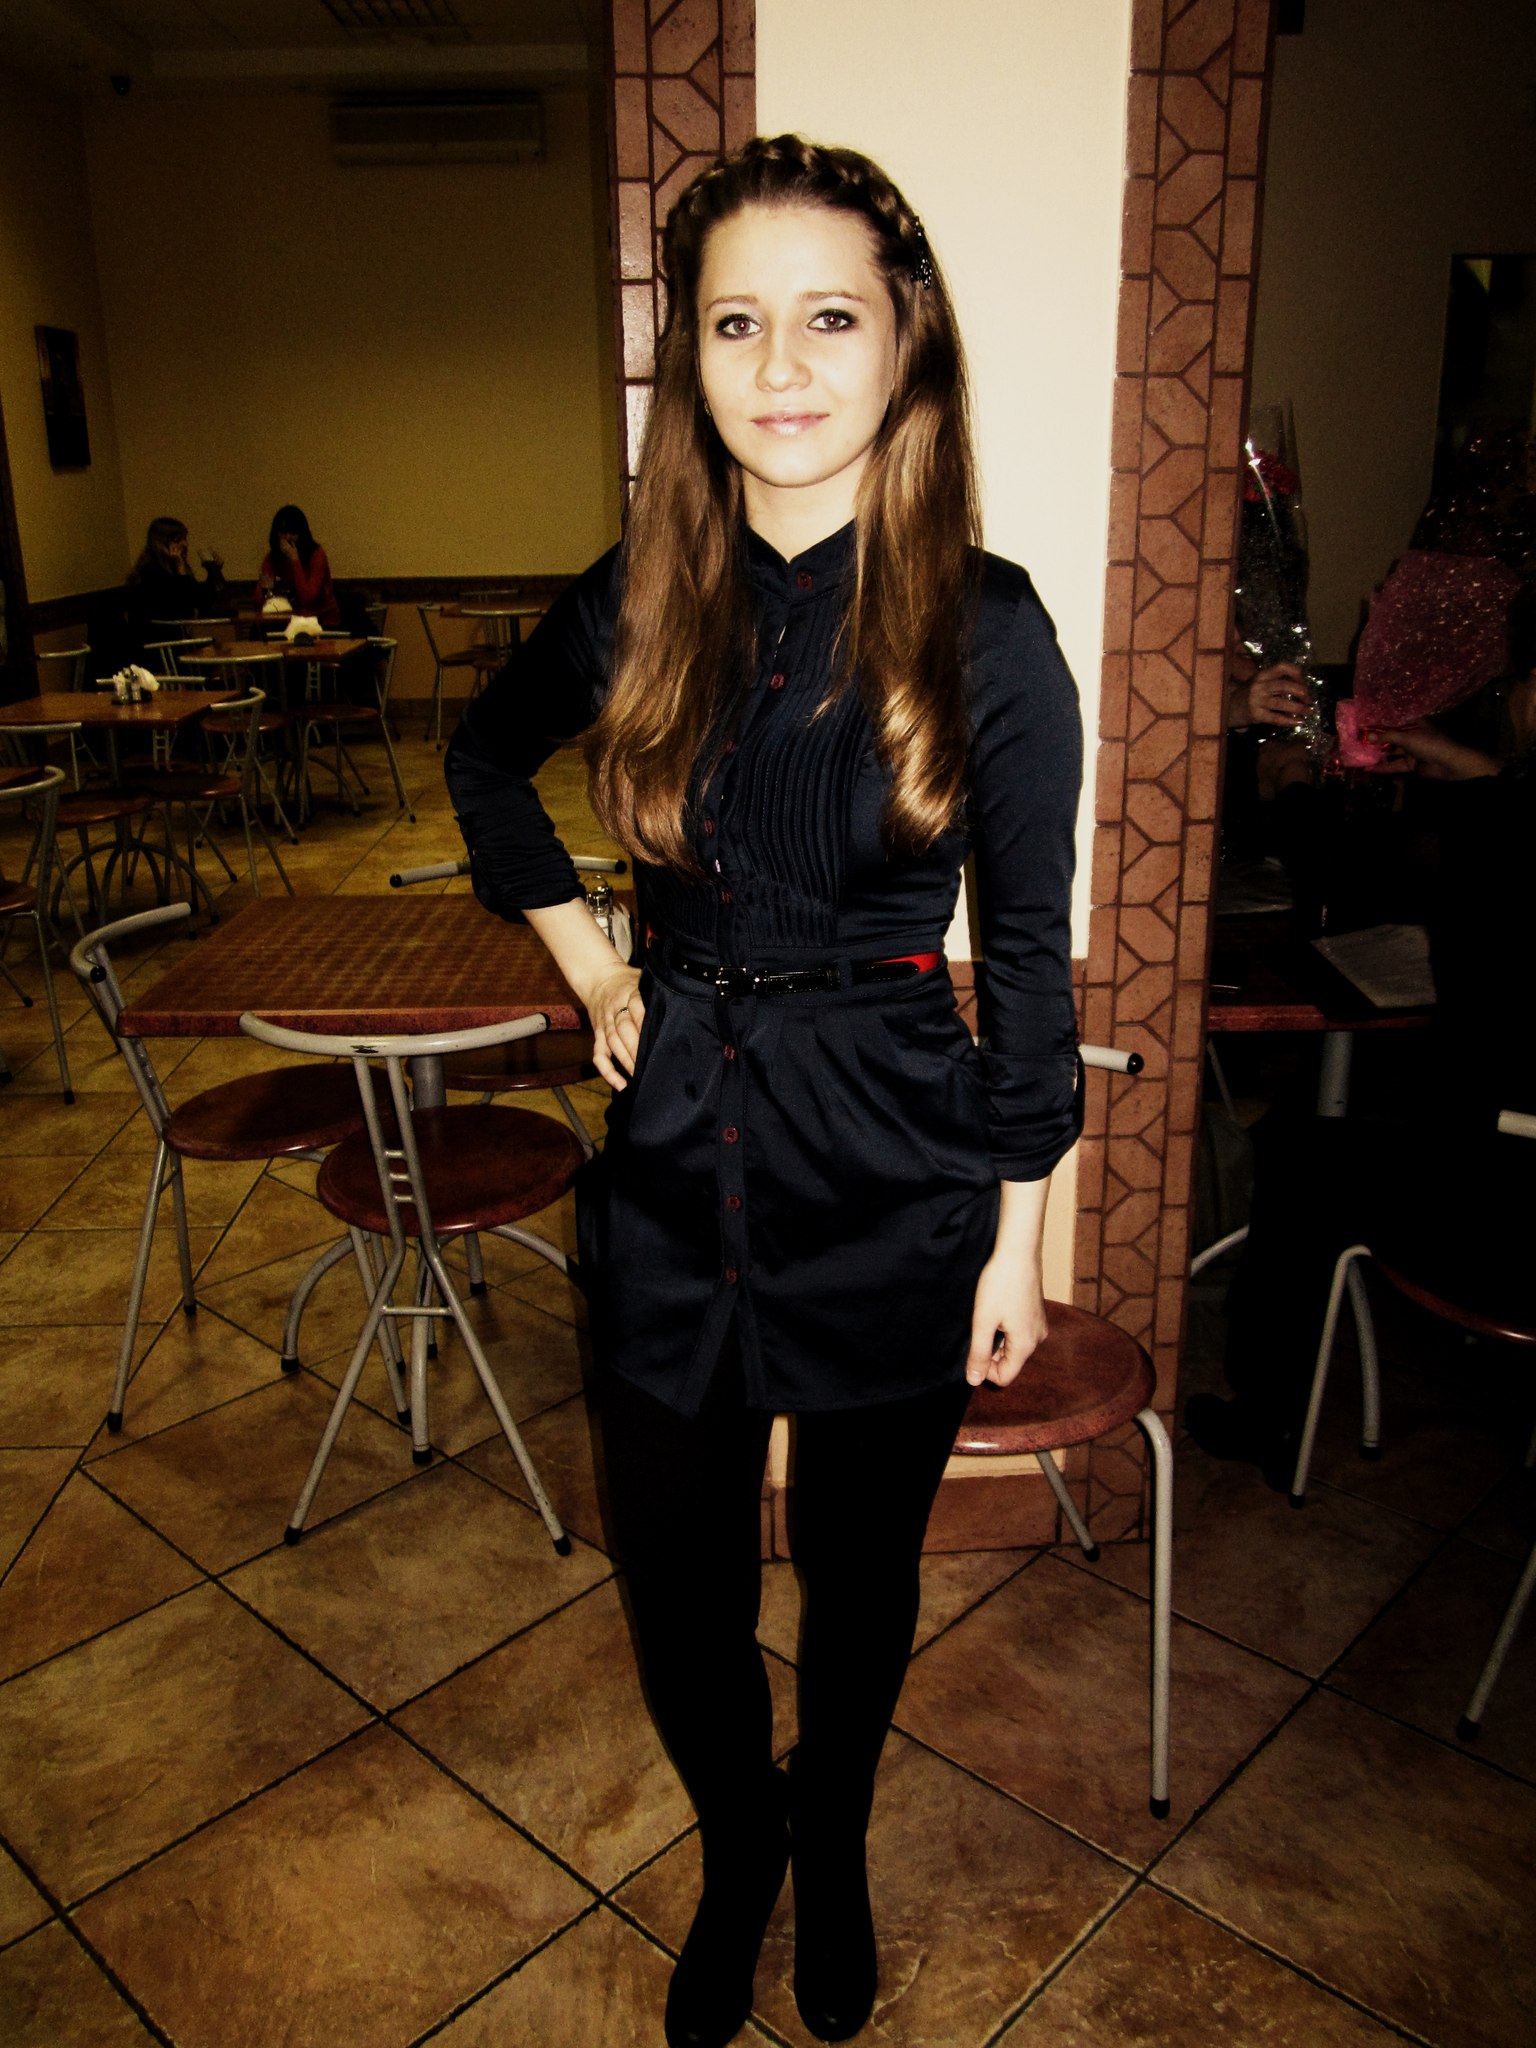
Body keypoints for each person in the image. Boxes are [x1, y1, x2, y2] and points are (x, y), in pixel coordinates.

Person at [446, 135, 1082, 2048]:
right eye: (735, 322)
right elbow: (484, 760)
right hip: (670, 1165)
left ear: (906, 344)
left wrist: (1017, 1242)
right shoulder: (641, 597)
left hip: (895, 1165)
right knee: (680, 1586)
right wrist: (593, 965)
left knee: (864, 1579)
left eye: (829, 317)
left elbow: (1029, 967)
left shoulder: (988, 627)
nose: (781, 363)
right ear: (690, 356)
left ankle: (840, 1836)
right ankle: (743, 1842)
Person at [123, 515, 225, 660]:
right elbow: (183, 609)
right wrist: (181, 573)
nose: (185, 544)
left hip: (174, 644)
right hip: (158, 649)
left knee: (219, 649)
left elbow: (202, 601)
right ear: (161, 544)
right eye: (178, 540)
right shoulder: (150, 572)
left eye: (185, 538)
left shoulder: (174, 569)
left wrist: (214, 571)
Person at [254, 504, 340, 628]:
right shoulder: (272, 558)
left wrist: (295, 560)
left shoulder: (316, 555)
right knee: (257, 630)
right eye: (283, 532)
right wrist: (264, 587)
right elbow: (258, 601)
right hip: (288, 621)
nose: (288, 537)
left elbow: (308, 599)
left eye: (293, 532)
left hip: (321, 621)